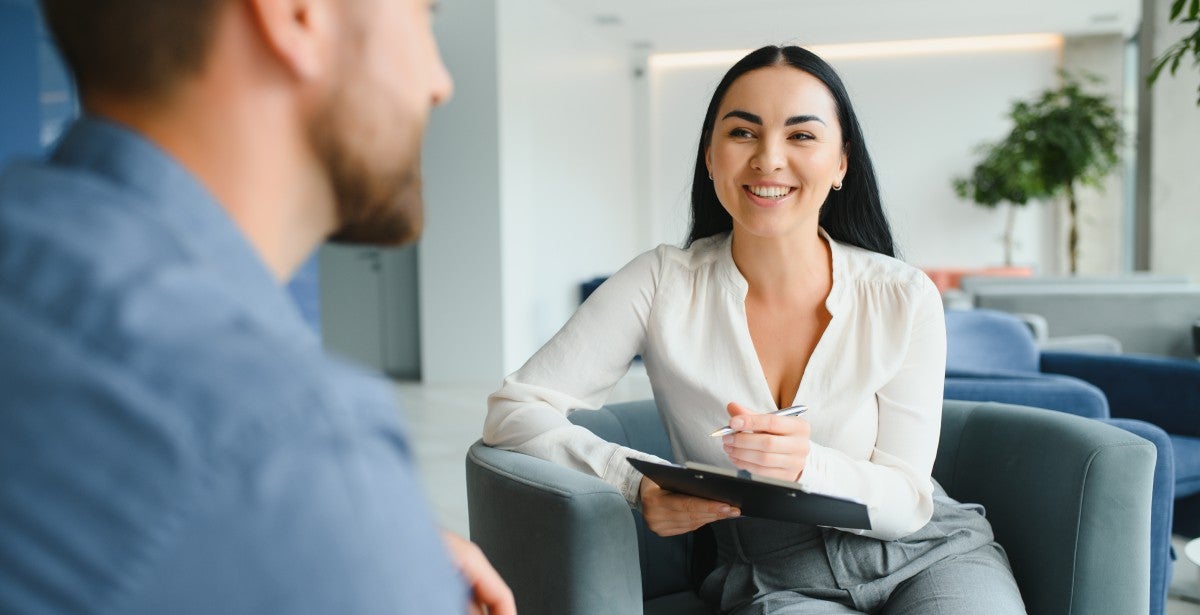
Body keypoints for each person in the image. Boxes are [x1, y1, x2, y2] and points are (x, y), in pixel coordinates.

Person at [0, 1, 513, 613]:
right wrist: (336, 526)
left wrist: (319, 546)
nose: (441, 82)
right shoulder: (283, 438)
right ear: (296, 16)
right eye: (422, 15)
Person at [485, 45, 1025, 614]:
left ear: (842, 162)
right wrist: (632, 482)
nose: (769, 158)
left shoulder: (903, 294)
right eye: (743, 132)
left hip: (930, 553)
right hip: (774, 577)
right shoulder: (659, 284)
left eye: (801, 136)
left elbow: (908, 503)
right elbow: (513, 409)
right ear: (711, 157)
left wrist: (804, 465)